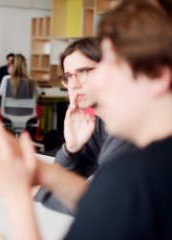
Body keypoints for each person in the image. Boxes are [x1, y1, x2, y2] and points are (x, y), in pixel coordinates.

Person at [0, 1, 172, 239]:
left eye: (110, 68)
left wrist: (16, 196)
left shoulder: (133, 174)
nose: (91, 84)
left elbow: (114, 198)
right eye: (69, 76)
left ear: (158, 75)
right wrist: (43, 172)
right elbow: (105, 203)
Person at [35, 38, 135, 215]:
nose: (73, 84)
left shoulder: (132, 129)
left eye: (83, 72)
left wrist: (37, 192)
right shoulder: (98, 123)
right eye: (68, 76)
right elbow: (66, 183)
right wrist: (71, 150)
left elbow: (103, 205)